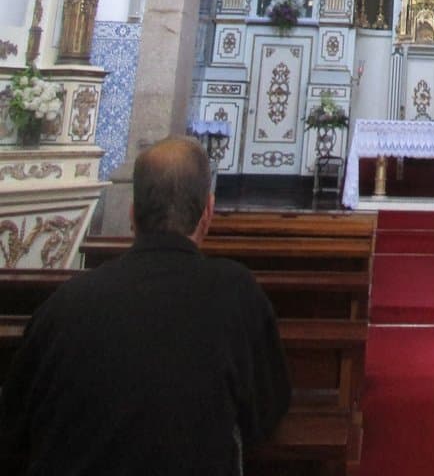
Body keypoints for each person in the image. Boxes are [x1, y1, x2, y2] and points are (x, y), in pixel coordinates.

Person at [0, 136, 291, 475]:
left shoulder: (65, 303)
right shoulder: (237, 292)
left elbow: (14, 423)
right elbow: (267, 410)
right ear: (208, 212)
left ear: (132, 214)